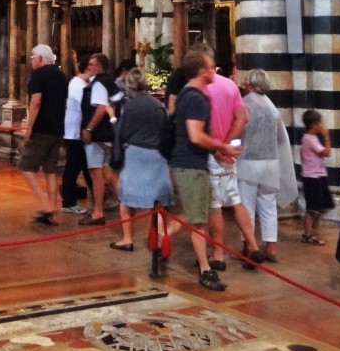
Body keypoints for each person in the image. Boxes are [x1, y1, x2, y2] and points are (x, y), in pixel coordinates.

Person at [170, 48, 241, 291]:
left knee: (200, 212)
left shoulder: (193, 96)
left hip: (197, 163)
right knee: (197, 220)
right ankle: (205, 269)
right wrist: (222, 146)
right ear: (202, 71)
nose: (214, 69)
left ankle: (161, 239)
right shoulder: (194, 98)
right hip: (190, 165)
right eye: (211, 66)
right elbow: (195, 135)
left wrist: (217, 151)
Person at [197, 45, 266, 272]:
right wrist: (227, 144)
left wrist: (218, 148)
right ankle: (253, 245)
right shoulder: (230, 85)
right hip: (228, 153)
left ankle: (218, 253)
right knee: (235, 200)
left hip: (211, 152)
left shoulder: (202, 88)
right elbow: (242, 118)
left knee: (214, 204)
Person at [110, 68, 176, 252]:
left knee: (127, 199)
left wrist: (116, 156)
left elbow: (121, 134)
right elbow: (166, 131)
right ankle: (162, 238)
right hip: (157, 155)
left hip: (135, 155)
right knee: (158, 202)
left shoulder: (130, 107)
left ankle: (127, 238)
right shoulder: (158, 105)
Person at [236, 69, 296, 262]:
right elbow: (280, 137)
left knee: (246, 205)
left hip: (248, 162)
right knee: (268, 206)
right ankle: (271, 247)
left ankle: (249, 246)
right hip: (270, 162)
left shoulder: (245, 104)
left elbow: (238, 130)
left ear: (250, 84)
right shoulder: (272, 108)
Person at [20, 44, 68, 226]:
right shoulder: (61, 76)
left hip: (41, 129)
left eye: (33, 57)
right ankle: (53, 214)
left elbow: (36, 102)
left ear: (40, 58)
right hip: (57, 128)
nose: (31, 60)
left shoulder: (39, 75)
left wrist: (29, 127)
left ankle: (46, 205)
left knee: (26, 166)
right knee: (50, 170)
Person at [79, 53, 122, 226]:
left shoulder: (98, 83)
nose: (89, 67)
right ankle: (126, 203)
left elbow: (101, 108)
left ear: (100, 66)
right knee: (107, 172)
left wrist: (88, 128)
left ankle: (97, 213)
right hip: (108, 134)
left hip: (97, 136)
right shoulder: (109, 81)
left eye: (91, 64)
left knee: (95, 173)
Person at [60, 55, 92, 214]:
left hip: (77, 131)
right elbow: (86, 107)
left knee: (86, 166)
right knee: (73, 167)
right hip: (75, 132)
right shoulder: (78, 84)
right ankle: (68, 202)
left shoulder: (79, 83)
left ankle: (98, 197)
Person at [299, 109, 334, 244]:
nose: (322, 125)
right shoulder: (309, 139)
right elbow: (326, 152)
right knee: (313, 208)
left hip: (319, 175)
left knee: (323, 206)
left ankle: (313, 231)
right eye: (320, 123)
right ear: (314, 125)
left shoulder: (311, 138)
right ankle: (308, 234)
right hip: (311, 177)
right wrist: (327, 137)